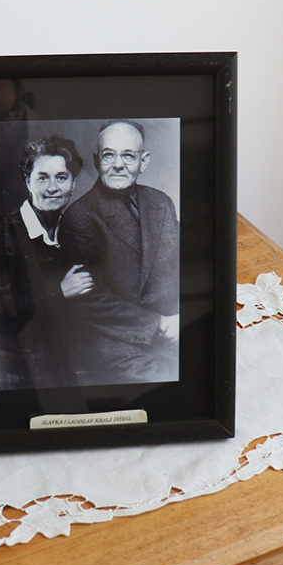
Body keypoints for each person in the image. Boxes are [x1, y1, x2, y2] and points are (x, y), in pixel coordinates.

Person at [61, 120, 179, 386]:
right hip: (115, 337)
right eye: (109, 155)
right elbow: (89, 297)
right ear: (96, 160)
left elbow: (180, 261)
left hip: (171, 326)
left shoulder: (161, 202)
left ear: (143, 161)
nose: (118, 164)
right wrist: (159, 324)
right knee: (162, 385)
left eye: (128, 155)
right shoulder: (80, 216)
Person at [0, 136, 94, 390]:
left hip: (68, 358)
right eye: (42, 178)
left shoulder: (74, 231)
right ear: (28, 182)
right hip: (24, 364)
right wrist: (60, 291)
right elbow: (5, 307)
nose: (52, 188)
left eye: (61, 177)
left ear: (73, 183)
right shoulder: (6, 231)